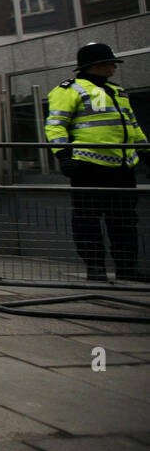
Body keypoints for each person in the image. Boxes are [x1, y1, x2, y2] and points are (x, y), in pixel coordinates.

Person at [46, 42, 149, 282]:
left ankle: (126, 267)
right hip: (87, 166)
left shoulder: (118, 92)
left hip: (122, 167)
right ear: (96, 65)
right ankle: (95, 267)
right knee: (87, 219)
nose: (114, 67)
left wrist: (145, 155)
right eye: (110, 63)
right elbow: (56, 125)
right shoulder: (69, 90)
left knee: (124, 221)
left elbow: (133, 128)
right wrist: (63, 155)